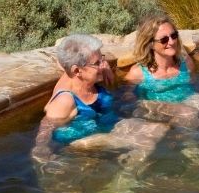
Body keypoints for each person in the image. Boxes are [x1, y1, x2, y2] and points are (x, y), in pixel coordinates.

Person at [34, 33, 166, 163]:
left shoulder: (91, 80)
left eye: (102, 58)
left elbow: (113, 92)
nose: (104, 65)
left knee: (160, 129)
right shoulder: (65, 100)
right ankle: (126, 178)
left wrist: (108, 76)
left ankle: (127, 162)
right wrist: (41, 148)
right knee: (146, 143)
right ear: (77, 71)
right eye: (97, 62)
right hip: (82, 139)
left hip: (107, 125)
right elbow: (47, 125)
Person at [123, 13, 199, 158]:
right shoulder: (138, 73)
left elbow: (194, 85)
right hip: (157, 110)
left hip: (188, 108)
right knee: (188, 112)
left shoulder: (186, 64)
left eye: (173, 35)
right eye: (164, 39)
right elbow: (128, 101)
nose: (171, 42)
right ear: (150, 44)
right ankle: (188, 150)